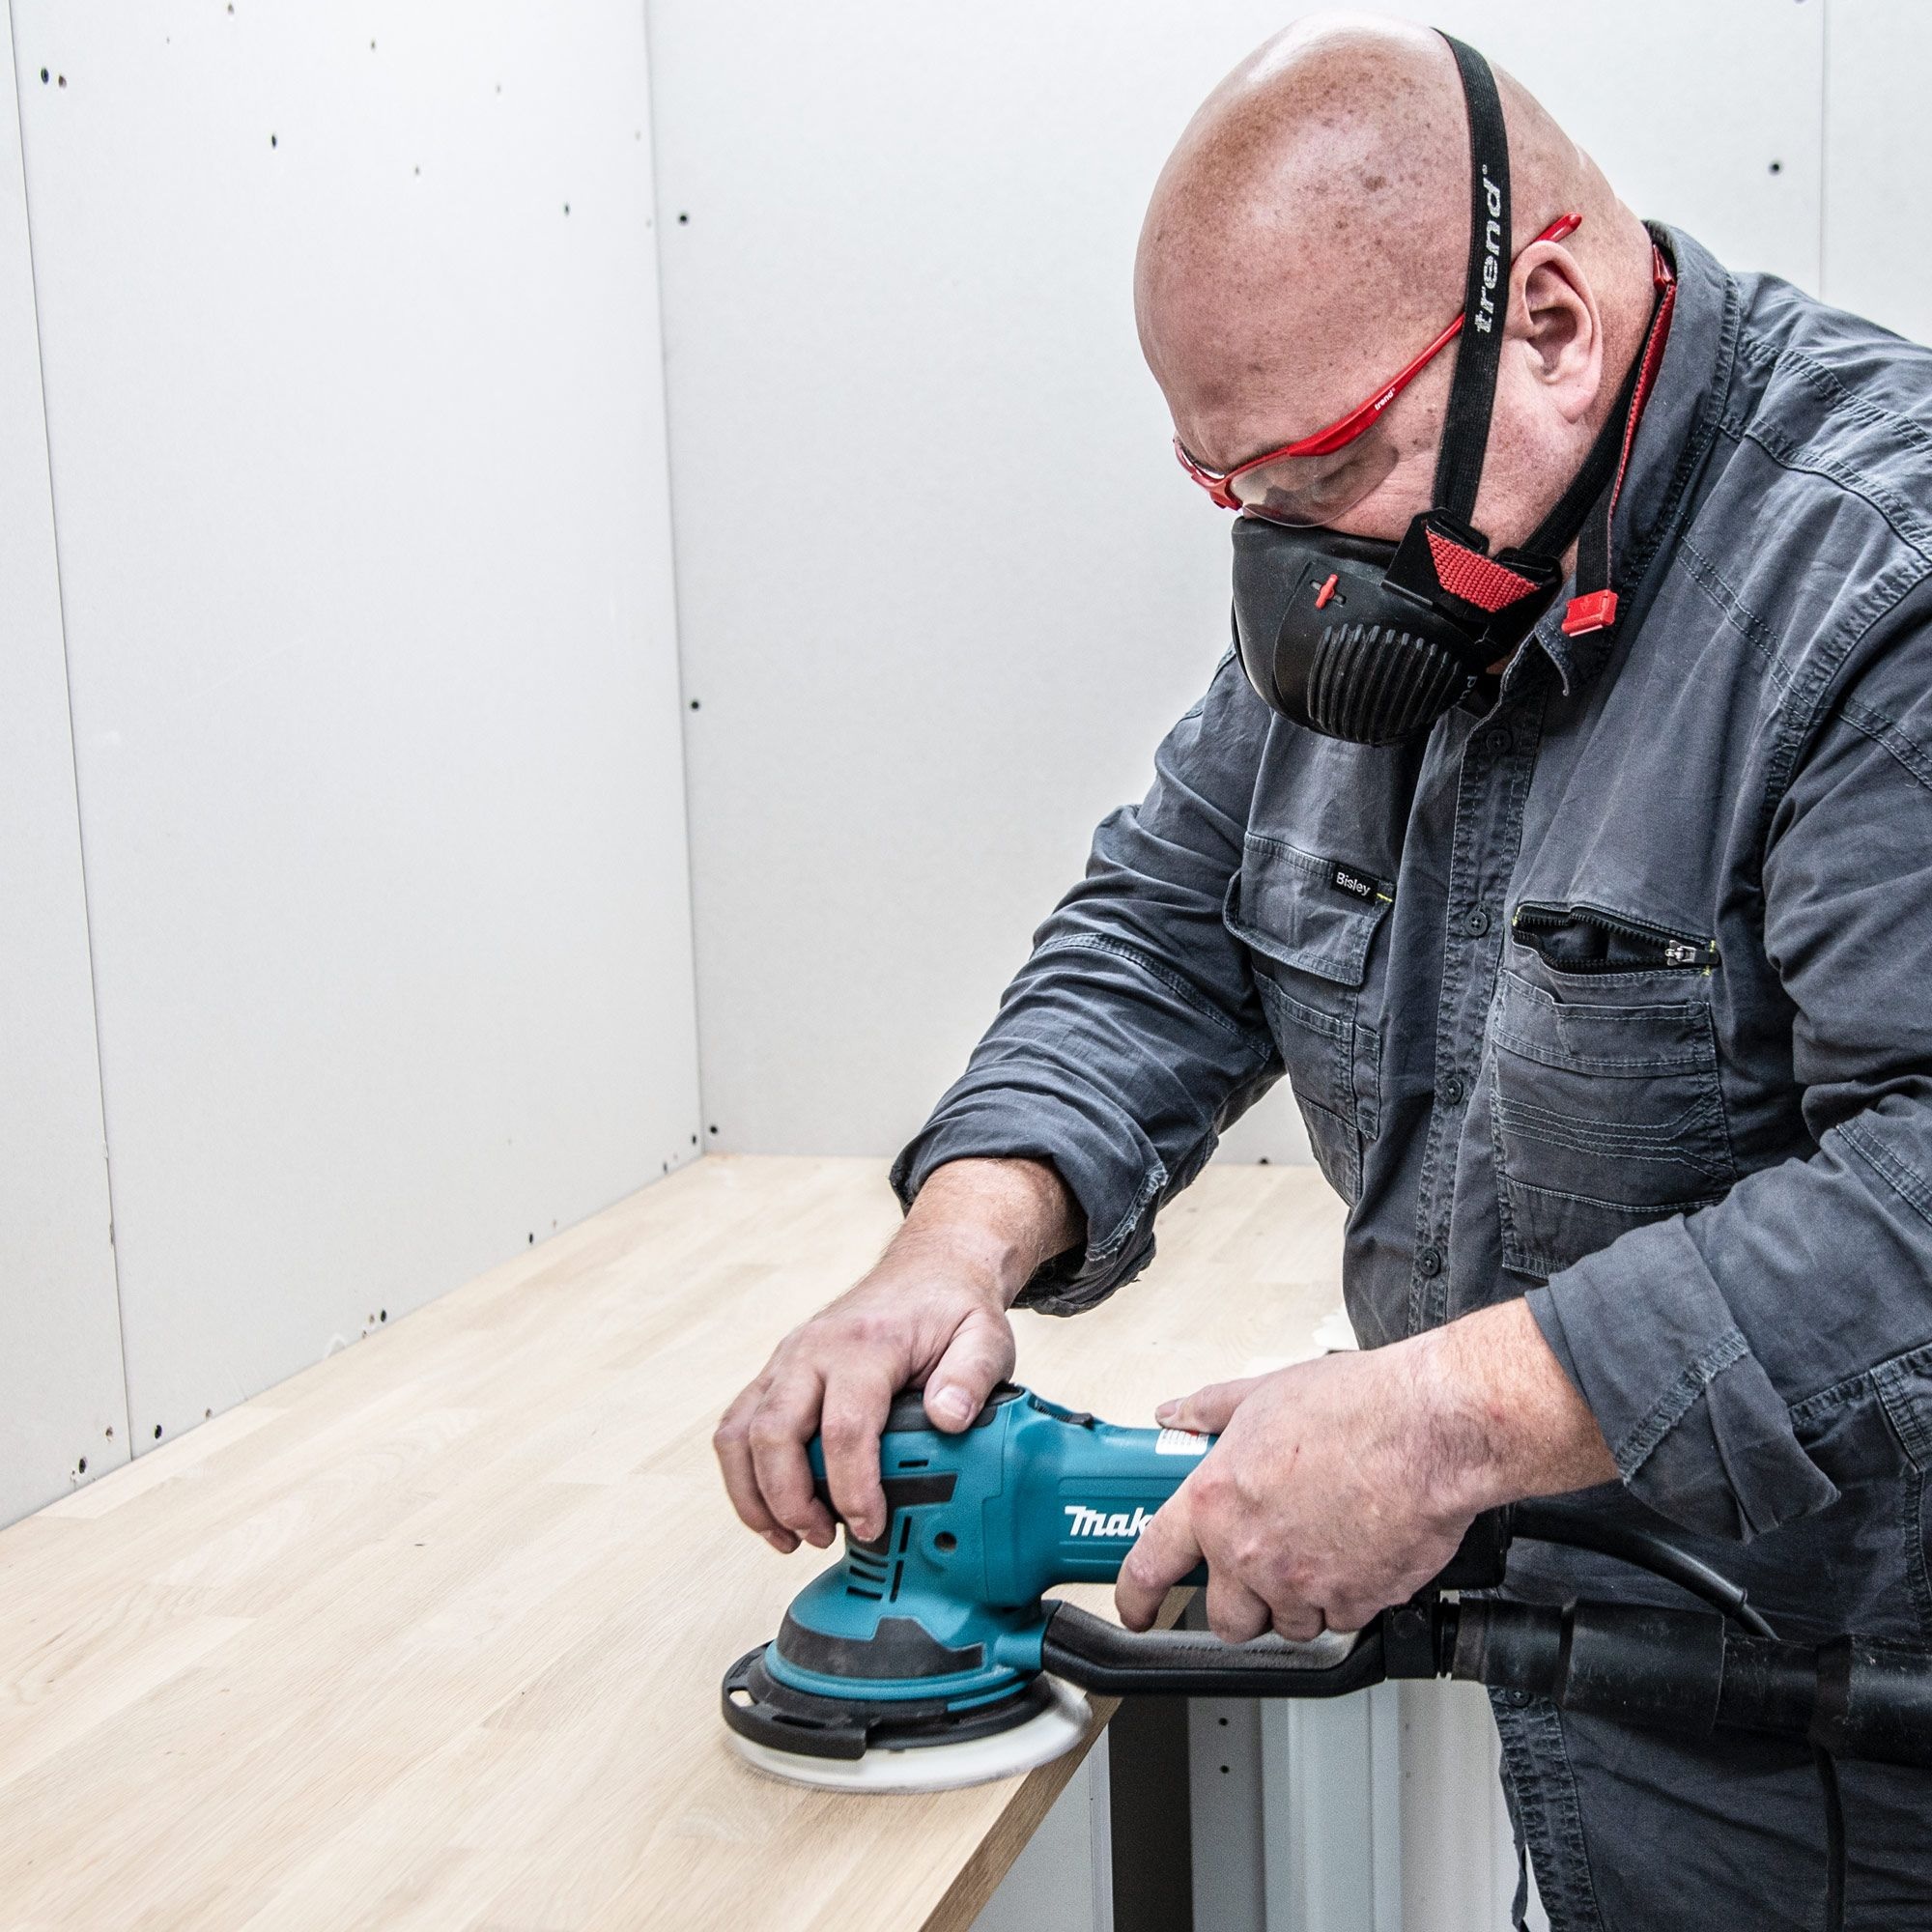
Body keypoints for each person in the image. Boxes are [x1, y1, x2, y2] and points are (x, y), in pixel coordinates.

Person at [717, 14, 1932, 1925]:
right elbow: (1164, 923)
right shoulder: (1415, 560)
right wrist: (952, 1243)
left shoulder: (1878, 588)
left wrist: (1445, 1418)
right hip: (1596, 1700)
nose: (1282, 562)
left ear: (1547, 323)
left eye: (1316, 465)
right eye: (1229, 492)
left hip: (1852, 1743)